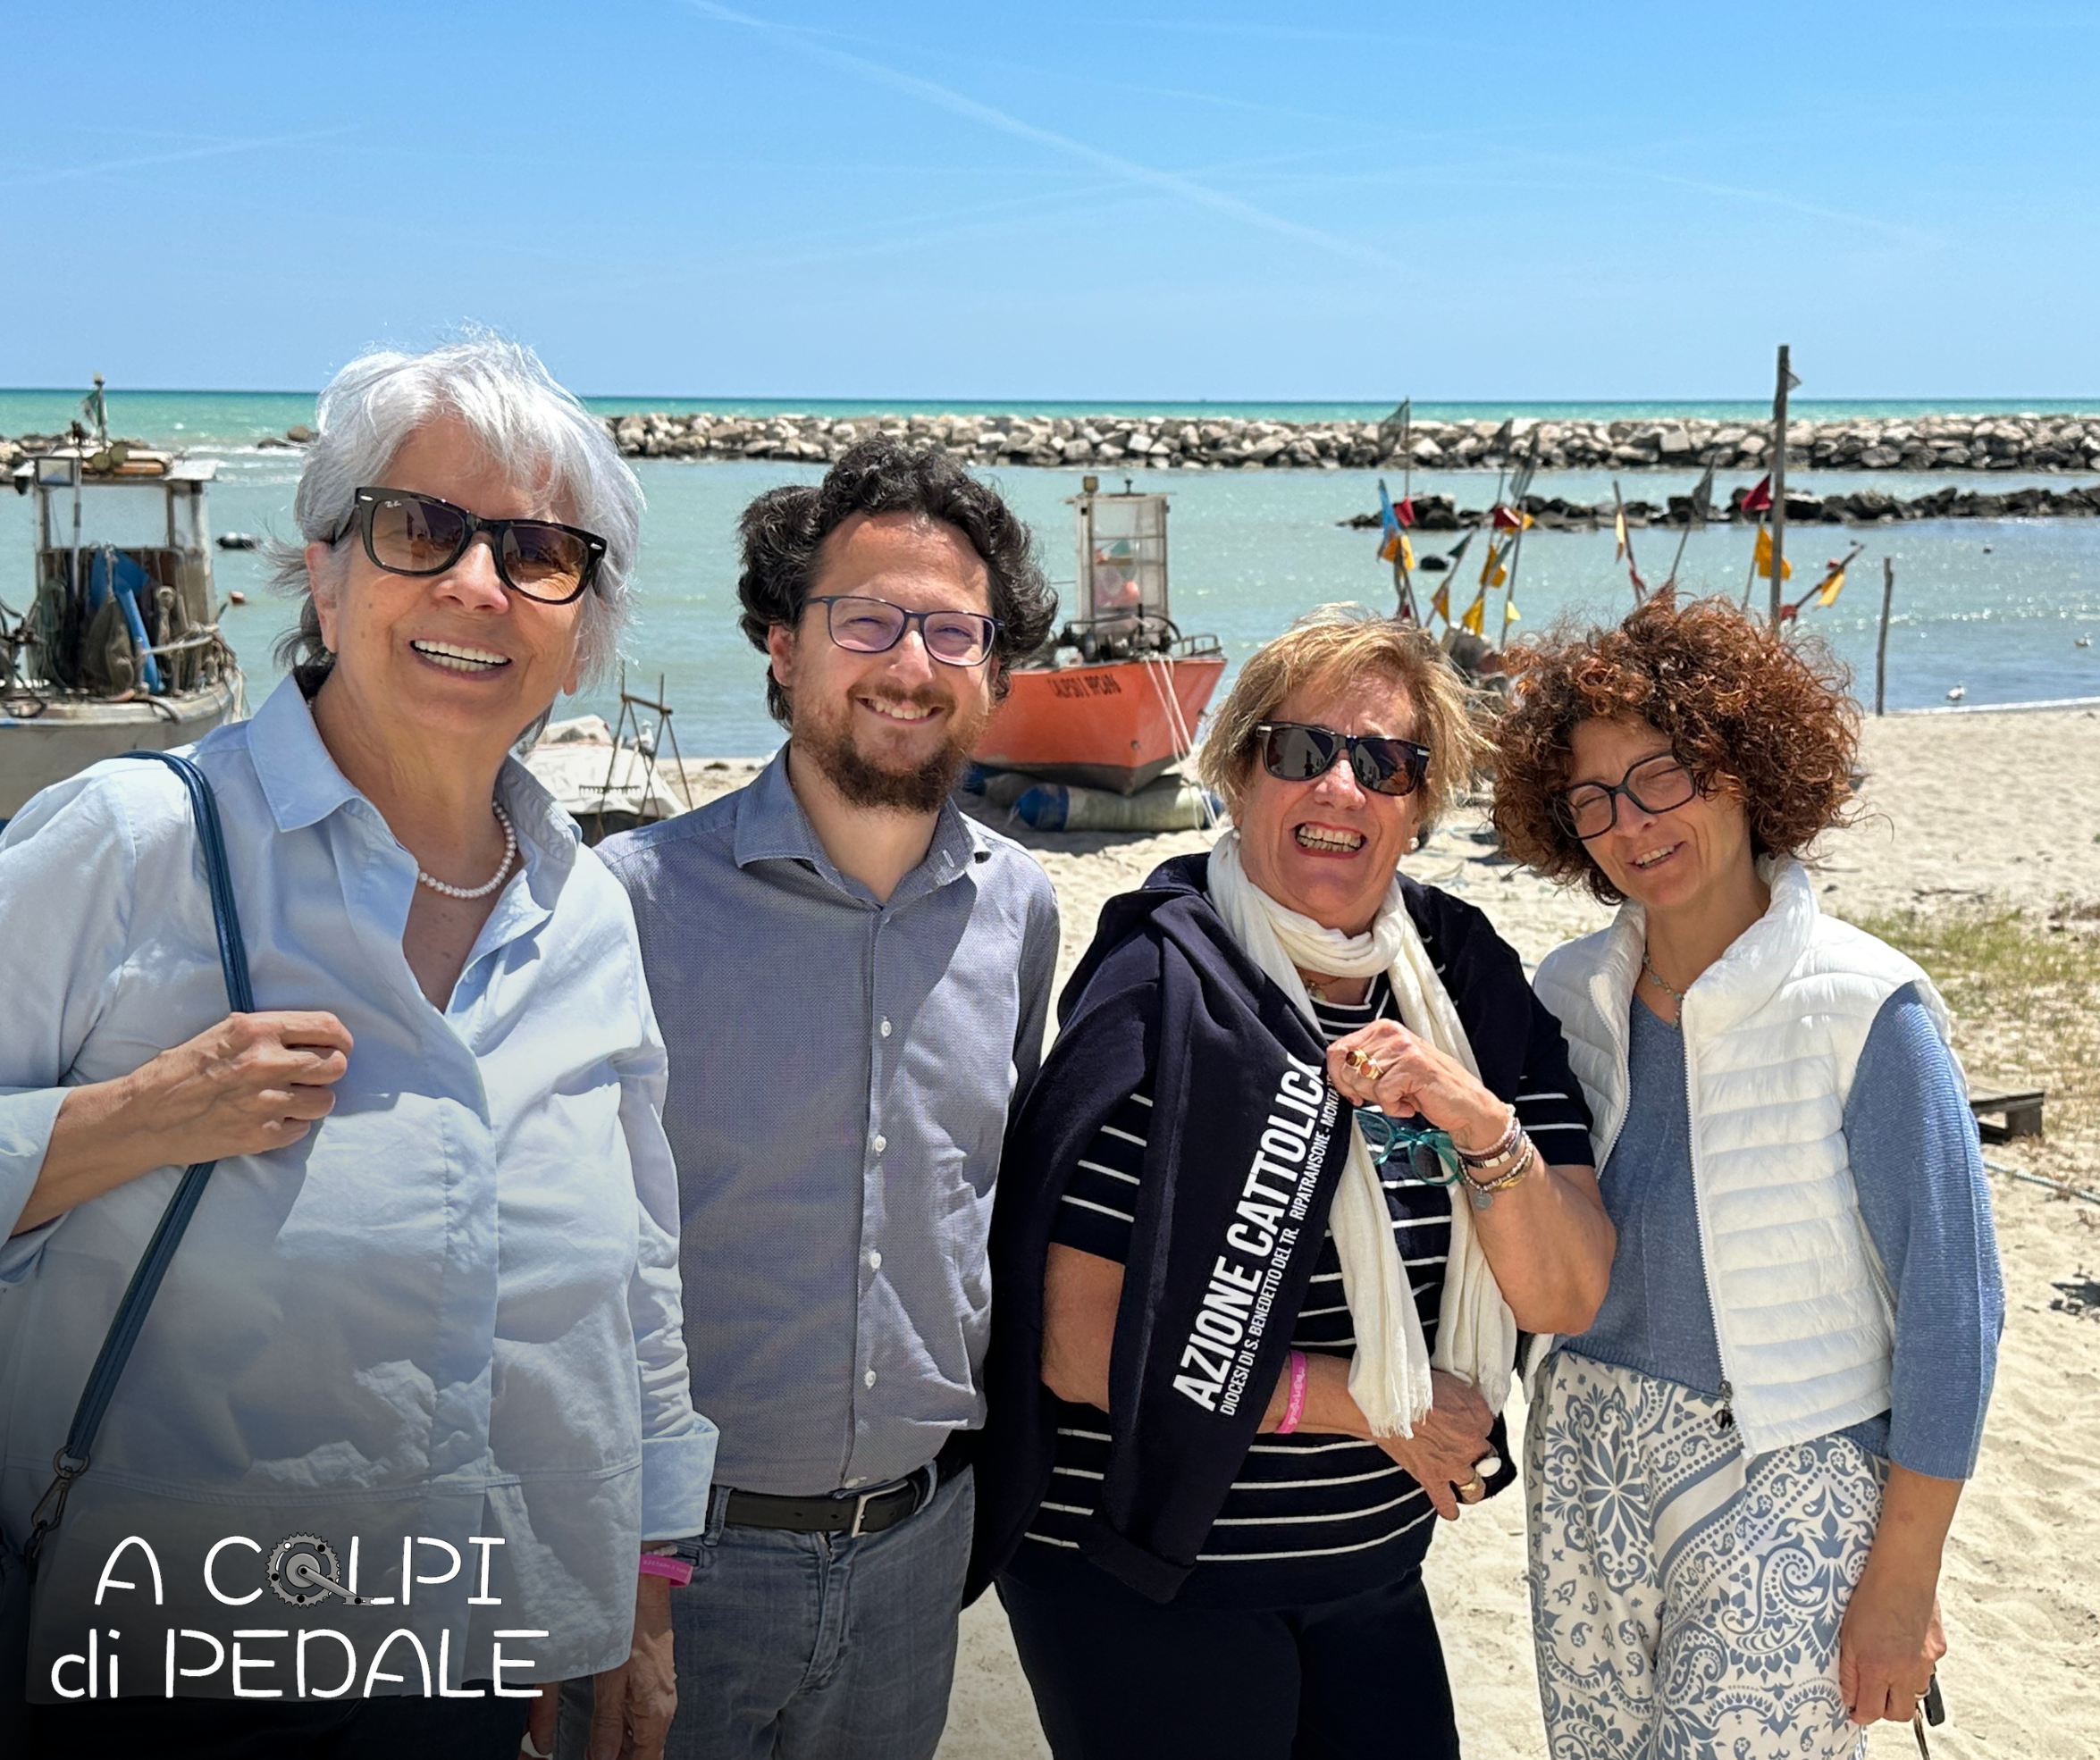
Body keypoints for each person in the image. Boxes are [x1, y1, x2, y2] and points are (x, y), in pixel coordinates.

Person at [0, 338, 715, 1758]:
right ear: (323, 573)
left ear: (583, 631)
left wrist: (638, 1574)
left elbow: (634, 1276)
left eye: (538, 552)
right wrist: (133, 1119)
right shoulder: (135, 841)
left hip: (469, 1652)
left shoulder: (586, 909)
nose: (477, 583)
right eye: (421, 527)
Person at [972, 608, 1616, 1760]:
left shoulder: (1468, 982)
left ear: (1422, 802)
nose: (1341, 787)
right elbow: (1075, 1343)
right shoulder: (1166, 987)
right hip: (1148, 1572)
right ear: (1235, 773)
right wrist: (1377, 1403)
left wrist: (1477, 1122)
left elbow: (1565, 1292)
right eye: (1300, 750)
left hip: (1370, 1565)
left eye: (1385, 763)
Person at [591, 439, 1062, 1760]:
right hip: (676, 1562)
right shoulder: (634, 902)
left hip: (919, 1554)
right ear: (782, 643)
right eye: (866, 620)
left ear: (993, 669)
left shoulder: (1021, 909)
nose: (910, 663)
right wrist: (629, 1562)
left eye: (952, 631)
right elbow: (564, 1260)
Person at [1491, 592, 2003, 1760]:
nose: (1630, 823)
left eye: (1661, 775)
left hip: (1792, 1469)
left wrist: (1904, 1576)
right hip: (1585, 1459)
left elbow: (1954, 1310)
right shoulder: (1564, 995)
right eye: (1592, 798)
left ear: (1739, 766)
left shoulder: (1863, 1005)